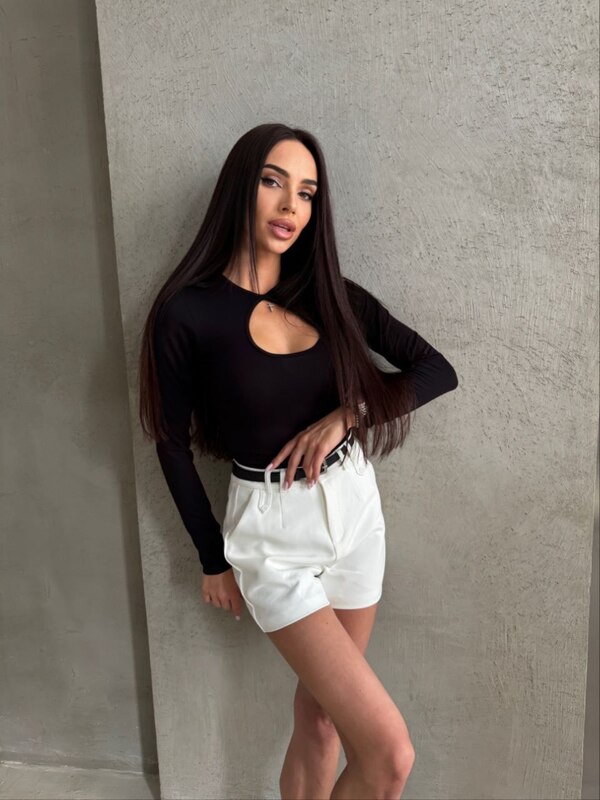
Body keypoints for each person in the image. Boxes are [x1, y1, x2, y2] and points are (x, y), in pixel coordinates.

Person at [138, 123, 458, 799]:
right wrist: (212, 559)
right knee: (390, 755)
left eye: (307, 193)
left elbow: (435, 369)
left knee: (321, 719)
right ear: (240, 187)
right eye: (273, 182)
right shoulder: (187, 313)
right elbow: (169, 441)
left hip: (354, 512)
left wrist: (350, 413)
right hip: (272, 534)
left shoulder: (329, 292)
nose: (291, 206)